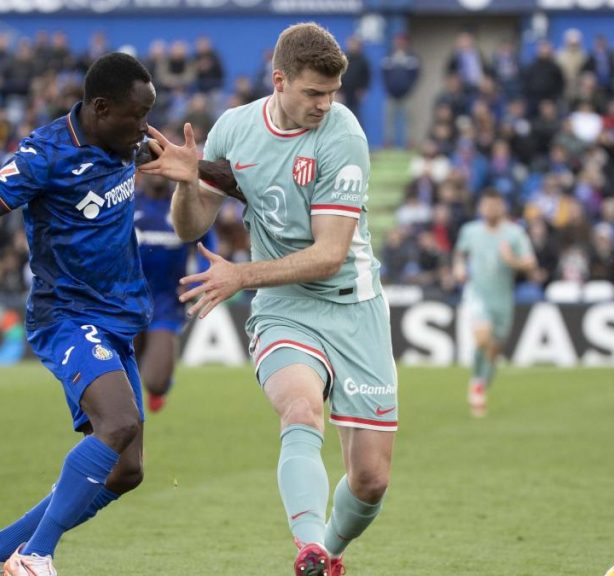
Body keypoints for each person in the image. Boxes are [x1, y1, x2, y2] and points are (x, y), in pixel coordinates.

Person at [140, 23, 395, 576]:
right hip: (285, 308)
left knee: (371, 479)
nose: (324, 104)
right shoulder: (234, 128)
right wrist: (188, 182)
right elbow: (191, 228)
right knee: (301, 409)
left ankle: (329, 550)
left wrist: (242, 275)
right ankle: (309, 550)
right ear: (279, 81)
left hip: (355, 307)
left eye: (332, 93)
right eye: (312, 93)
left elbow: (330, 255)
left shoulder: (343, 136)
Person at [0, 53, 156, 576]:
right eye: (136, 115)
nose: (144, 127)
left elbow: (177, 161)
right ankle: (35, 556)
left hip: (117, 318)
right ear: (101, 108)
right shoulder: (47, 154)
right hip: (65, 314)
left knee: (127, 470)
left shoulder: (126, 142)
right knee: (119, 422)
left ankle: (1, 550)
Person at [133, 174, 217, 413]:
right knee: (124, 375)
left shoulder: (181, 205)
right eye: (153, 166)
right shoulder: (128, 203)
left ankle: (160, 386)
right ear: (142, 169)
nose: (159, 173)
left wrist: (196, 284)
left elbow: (207, 244)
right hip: (127, 299)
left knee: (155, 382)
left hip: (166, 300)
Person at [453, 189, 537, 417]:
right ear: (481, 207)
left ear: (502, 207)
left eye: (495, 205)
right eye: (486, 205)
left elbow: (530, 264)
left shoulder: (514, 233)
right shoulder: (469, 231)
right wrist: (459, 268)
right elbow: (460, 254)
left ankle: (479, 382)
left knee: (494, 348)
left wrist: (514, 261)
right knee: (482, 338)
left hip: (502, 298)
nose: (490, 209)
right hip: (476, 294)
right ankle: (477, 384)